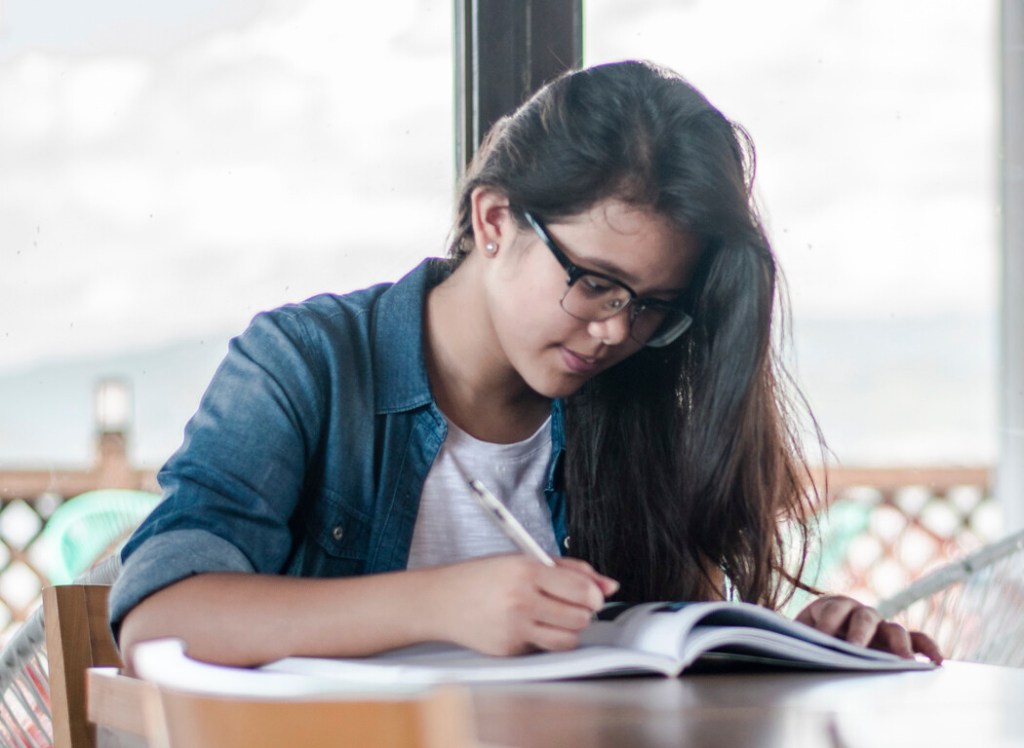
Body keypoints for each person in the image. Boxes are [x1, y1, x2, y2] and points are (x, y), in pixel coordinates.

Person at [112, 60, 942, 668]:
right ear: (496, 218)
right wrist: (442, 602)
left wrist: (806, 642)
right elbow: (160, 616)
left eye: (652, 304)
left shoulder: (634, 402)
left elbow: (671, 659)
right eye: (596, 284)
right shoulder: (306, 364)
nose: (617, 332)